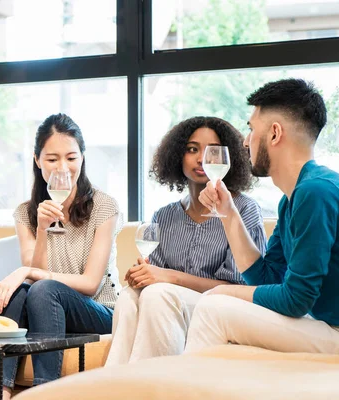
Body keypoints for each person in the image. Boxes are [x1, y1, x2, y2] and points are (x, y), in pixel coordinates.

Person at [185, 78, 339, 355]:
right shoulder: (294, 198)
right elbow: (266, 278)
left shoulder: (316, 192)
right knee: (216, 306)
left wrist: (224, 292)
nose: (245, 141)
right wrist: (229, 214)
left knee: (213, 308)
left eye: (251, 129)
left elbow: (296, 299)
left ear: (275, 134)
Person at [105, 116, 266, 365]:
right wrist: (142, 275)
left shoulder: (243, 210)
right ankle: (114, 385)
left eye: (212, 151)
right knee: (129, 297)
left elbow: (239, 288)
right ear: (177, 155)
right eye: (192, 149)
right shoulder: (164, 215)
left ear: (228, 158)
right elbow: (155, 276)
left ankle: (158, 386)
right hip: (167, 308)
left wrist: (168, 277)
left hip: (220, 310)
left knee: (158, 294)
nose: (201, 158)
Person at [0, 113, 122, 399]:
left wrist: (25, 272)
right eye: (52, 159)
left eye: (71, 158)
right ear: (37, 160)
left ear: (83, 158)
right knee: (24, 292)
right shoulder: (26, 212)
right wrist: (42, 230)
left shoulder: (104, 206)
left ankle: (43, 392)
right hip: (47, 307)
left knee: (39, 287)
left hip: (100, 311)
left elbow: (90, 284)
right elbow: (36, 274)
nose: (63, 167)